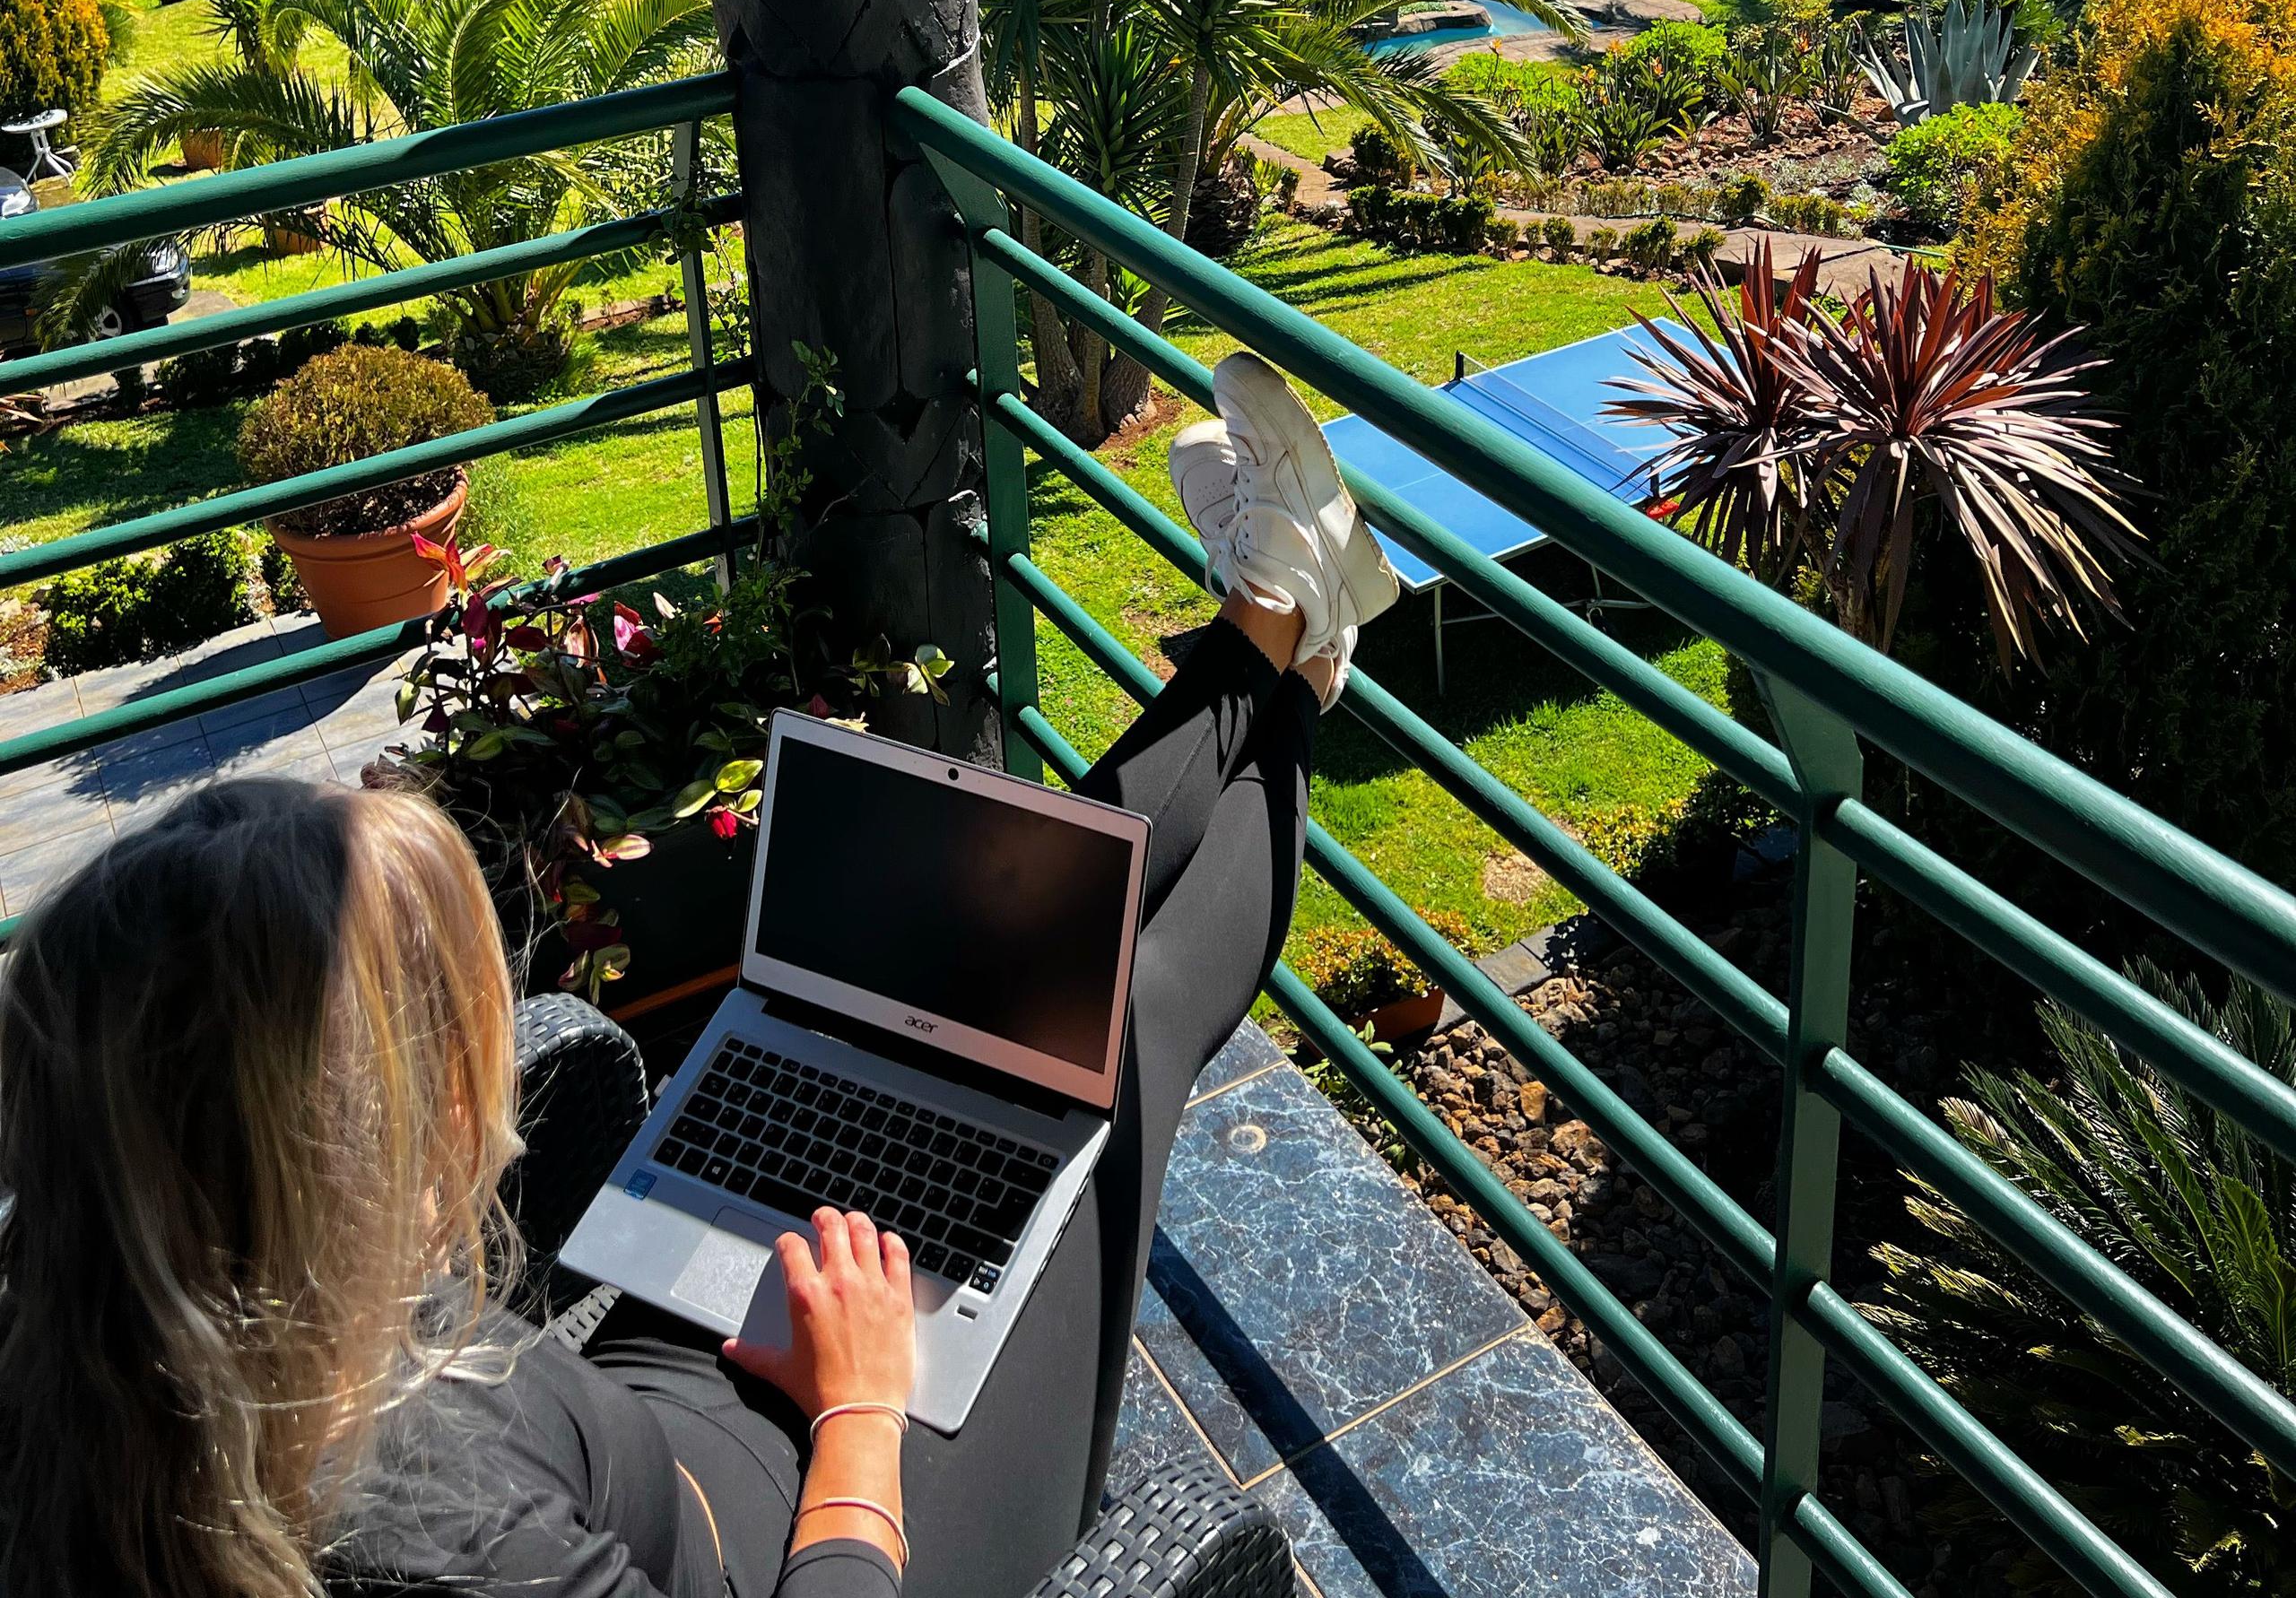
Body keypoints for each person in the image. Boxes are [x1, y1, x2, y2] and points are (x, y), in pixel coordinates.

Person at [0, 354, 1396, 1598]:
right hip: (850, 1519)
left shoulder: (103, 1332)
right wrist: (857, 1409)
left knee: (1002, 950)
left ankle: (1273, 621)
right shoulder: (438, 1533)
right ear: (340, 1160)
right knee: (1134, 1014)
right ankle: (1295, 640)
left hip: (660, 1415)